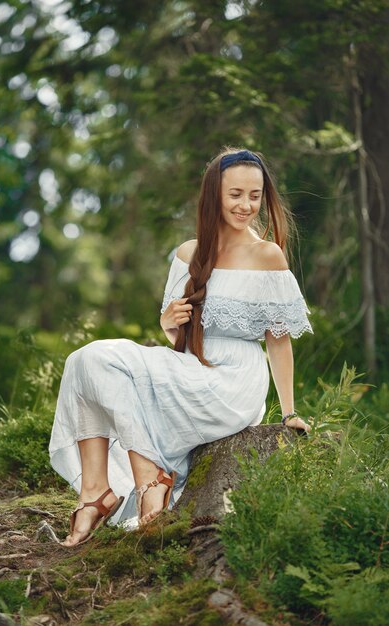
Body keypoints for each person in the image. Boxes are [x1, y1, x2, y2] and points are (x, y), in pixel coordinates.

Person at [49, 147, 313, 547]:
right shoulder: (189, 254)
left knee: (100, 362)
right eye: (235, 194)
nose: (246, 205)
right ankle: (96, 492)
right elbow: (178, 342)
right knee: (86, 360)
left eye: (254, 196)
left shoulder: (267, 256)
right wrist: (168, 323)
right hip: (192, 367)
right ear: (214, 196)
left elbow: (278, 342)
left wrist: (290, 412)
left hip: (235, 383)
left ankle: (150, 480)